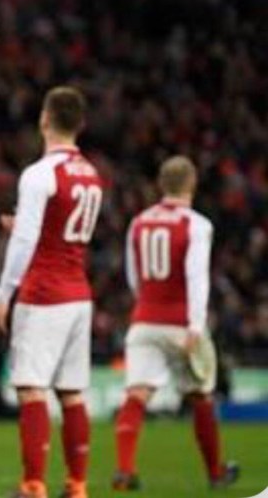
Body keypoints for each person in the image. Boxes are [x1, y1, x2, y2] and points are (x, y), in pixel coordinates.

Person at [0, 87, 103, 498]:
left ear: (44, 119)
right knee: (71, 392)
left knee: (30, 387)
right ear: (81, 124)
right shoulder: (92, 174)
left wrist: (4, 295)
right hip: (79, 294)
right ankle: (77, 486)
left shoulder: (39, 173)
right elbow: (60, 230)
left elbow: (26, 242)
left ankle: (33, 485)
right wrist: (24, 224)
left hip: (44, 294)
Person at [112, 156, 240, 492]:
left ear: (161, 184)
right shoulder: (197, 224)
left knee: (137, 394)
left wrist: (147, 304)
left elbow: (133, 276)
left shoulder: (139, 222)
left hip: (144, 320)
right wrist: (195, 324)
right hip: (181, 321)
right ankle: (215, 473)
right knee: (200, 396)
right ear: (192, 184)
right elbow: (196, 276)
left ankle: (124, 469)